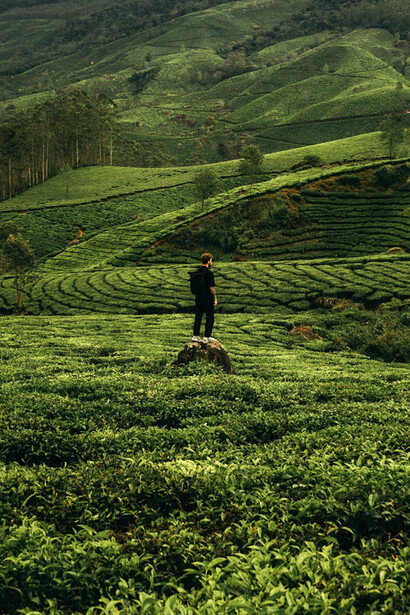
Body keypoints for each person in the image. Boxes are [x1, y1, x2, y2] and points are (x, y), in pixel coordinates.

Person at [192, 252, 217, 343]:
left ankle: (195, 335)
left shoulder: (197, 272)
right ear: (208, 261)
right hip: (207, 298)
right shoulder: (209, 273)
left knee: (198, 316)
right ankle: (207, 337)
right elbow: (211, 288)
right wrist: (214, 298)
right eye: (211, 260)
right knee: (210, 317)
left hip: (198, 298)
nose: (211, 262)